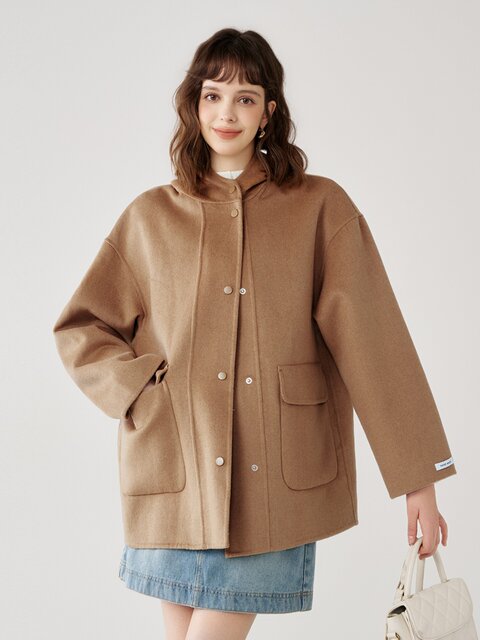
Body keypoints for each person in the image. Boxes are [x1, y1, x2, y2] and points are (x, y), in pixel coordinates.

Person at [52, 28, 457, 640]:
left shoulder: (319, 207)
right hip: (175, 481)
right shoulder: (149, 216)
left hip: (269, 489)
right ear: (194, 106)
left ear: (268, 111)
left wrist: (417, 480)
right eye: (213, 96)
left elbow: (374, 340)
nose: (227, 113)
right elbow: (82, 326)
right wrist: (142, 391)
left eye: (244, 98)